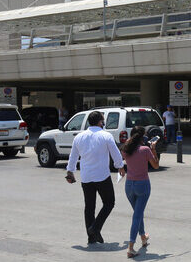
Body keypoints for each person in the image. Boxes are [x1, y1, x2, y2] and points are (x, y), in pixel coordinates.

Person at [65, 111, 125, 244]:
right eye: (103, 121)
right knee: (109, 203)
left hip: (86, 177)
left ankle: (91, 237)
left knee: (89, 207)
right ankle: (95, 228)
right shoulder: (106, 136)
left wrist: (70, 172)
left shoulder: (79, 137)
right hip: (102, 176)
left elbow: (73, 156)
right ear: (100, 122)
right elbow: (115, 153)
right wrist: (120, 166)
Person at [121, 126, 159, 258]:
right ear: (143, 137)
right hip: (142, 184)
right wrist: (153, 149)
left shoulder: (126, 149)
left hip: (129, 185)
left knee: (138, 212)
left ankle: (143, 237)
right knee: (137, 215)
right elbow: (156, 165)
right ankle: (131, 247)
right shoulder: (145, 149)